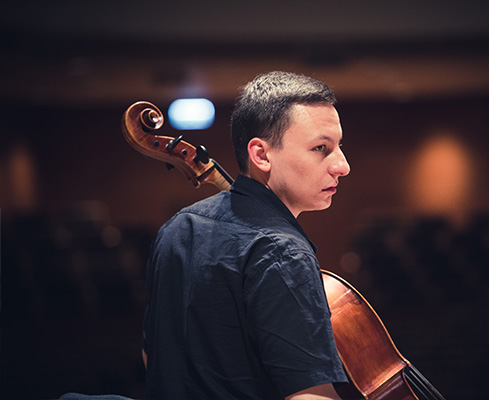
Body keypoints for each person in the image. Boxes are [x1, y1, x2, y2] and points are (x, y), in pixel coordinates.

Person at [142, 71, 351, 399]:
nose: (342, 165)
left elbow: (152, 356)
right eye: (321, 148)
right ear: (262, 155)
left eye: (339, 146)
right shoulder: (284, 251)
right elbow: (310, 395)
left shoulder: (177, 228)